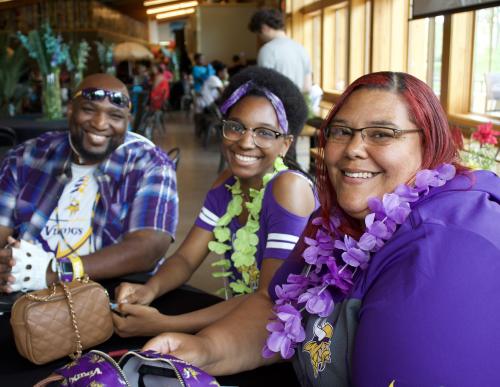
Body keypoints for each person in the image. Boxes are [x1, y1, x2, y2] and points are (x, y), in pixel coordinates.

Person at [141, 71, 500, 386]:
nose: (353, 149)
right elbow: (276, 305)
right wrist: (204, 349)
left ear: (429, 144)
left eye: (382, 134)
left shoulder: (449, 245)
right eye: (341, 131)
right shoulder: (331, 224)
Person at [112, 66, 316, 337]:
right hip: (242, 324)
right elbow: (185, 258)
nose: (245, 142)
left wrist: (163, 325)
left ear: (286, 145)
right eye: (236, 127)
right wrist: (150, 289)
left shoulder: (289, 188)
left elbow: (269, 297)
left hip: (290, 337)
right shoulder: (226, 184)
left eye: (265, 132)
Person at [0, 73, 178, 293]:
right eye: (88, 110)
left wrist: (54, 272)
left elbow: (149, 248)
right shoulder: (27, 157)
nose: (100, 123)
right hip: (24, 297)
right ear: (71, 110)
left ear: (127, 122)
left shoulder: (149, 164)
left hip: (105, 299)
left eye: (115, 115)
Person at [249, 8, 312, 93]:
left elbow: (265, 86)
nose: (260, 38)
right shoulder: (301, 48)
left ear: (264, 28)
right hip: (298, 102)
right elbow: (307, 87)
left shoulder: (267, 50)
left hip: (277, 104)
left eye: (259, 34)